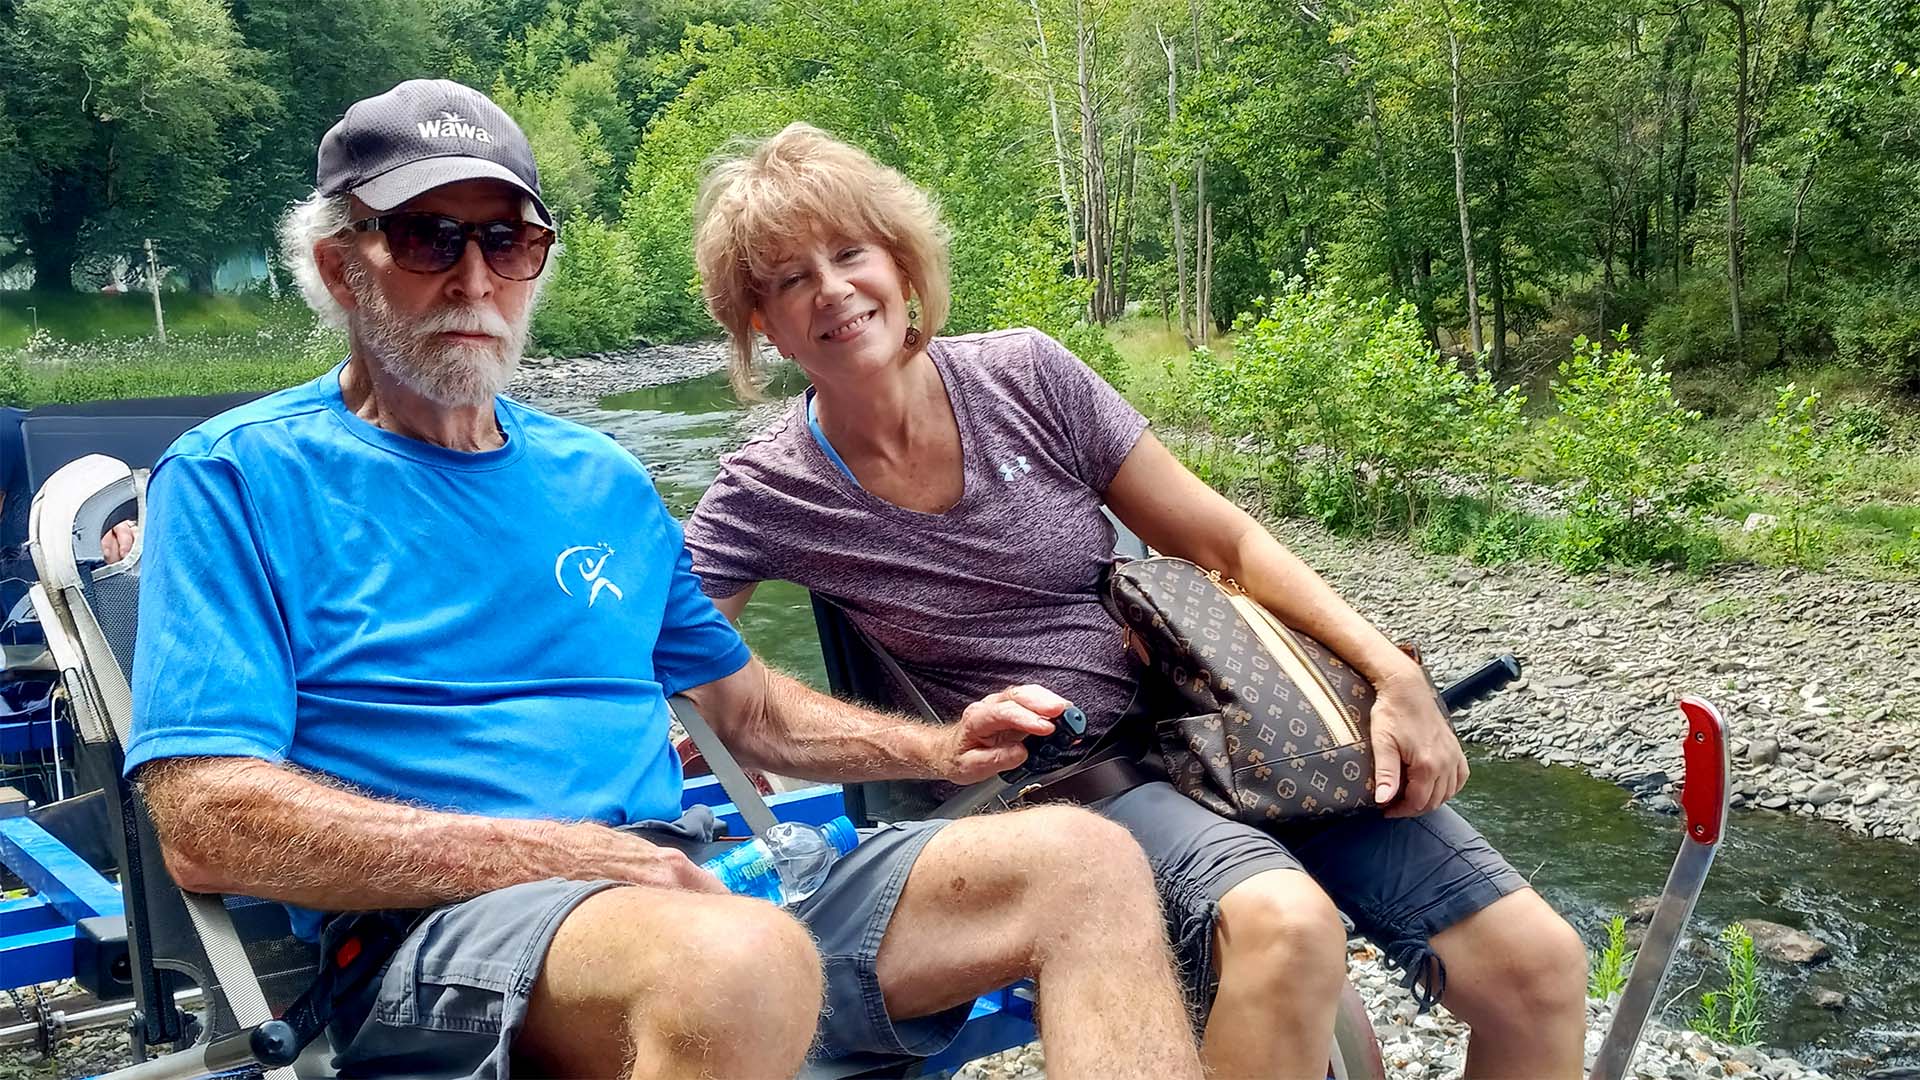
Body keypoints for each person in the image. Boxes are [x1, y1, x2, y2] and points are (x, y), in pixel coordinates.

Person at [124, 81, 1204, 1080]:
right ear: (337, 266)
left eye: (507, 241)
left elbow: (743, 704)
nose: (474, 279)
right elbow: (206, 821)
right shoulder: (239, 478)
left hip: (689, 890)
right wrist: (555, 852)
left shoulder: (598, 477)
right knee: (733, 959)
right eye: (426, 238)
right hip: (444, 937)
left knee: (1084, 863)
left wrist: (935, 746)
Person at [682, 122, 1591, 1079]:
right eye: (787, 279)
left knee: (1537, 966)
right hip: (1055, 784)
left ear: (902, 266)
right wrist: (687, 720)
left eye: (849, 252)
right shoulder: (765, 490)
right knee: (1286, 931)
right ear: (758, 324)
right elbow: (670, 655)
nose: (830, 289)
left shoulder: (1026, 375)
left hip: (1225, 724)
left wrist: (1392, 672)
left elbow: (1224, 540)